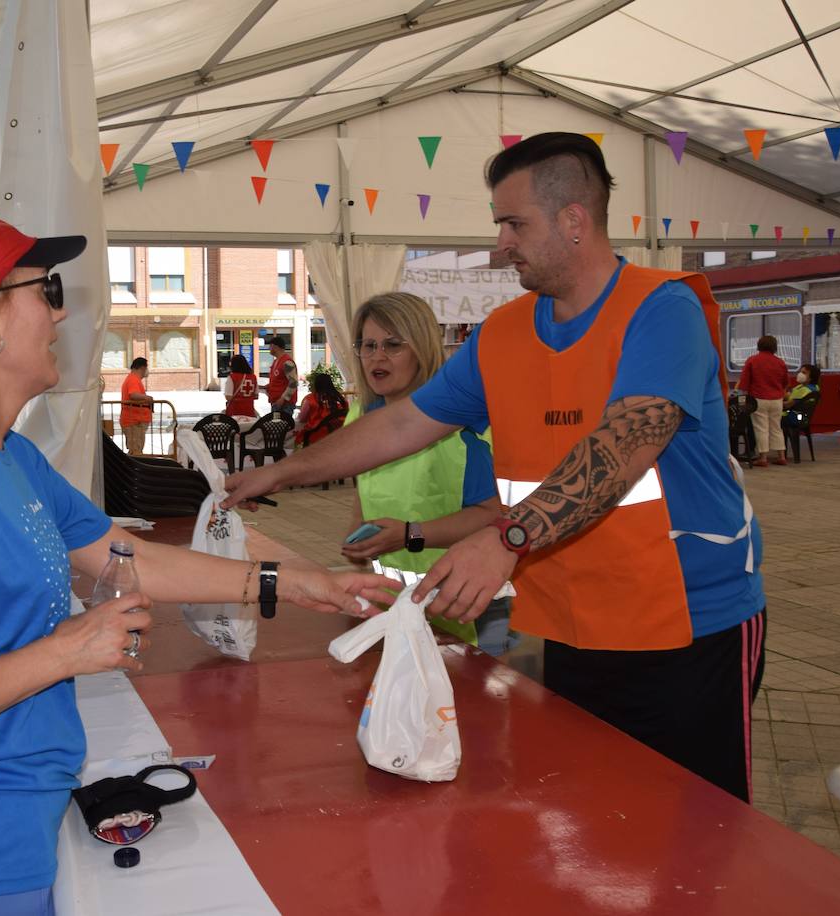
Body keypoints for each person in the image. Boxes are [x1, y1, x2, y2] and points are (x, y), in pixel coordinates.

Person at [0, 199, 397, 913]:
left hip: (14, 828)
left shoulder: (7, 455)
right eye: (46, 291)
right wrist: (67, 649)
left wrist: (294, 581)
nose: (61, 313)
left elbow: (126, 556)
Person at [224, 132, 766, 803]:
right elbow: (402, 423)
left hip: (688, 626)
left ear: (574, 220)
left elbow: (624, 444)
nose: (500, 245)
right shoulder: (504, 334)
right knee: (586, 817)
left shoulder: (662, 310)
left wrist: (507, 537)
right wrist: (282, 471)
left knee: (702, 826)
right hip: (570, 624)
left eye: (514, 224)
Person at [335, 292, 513, 655]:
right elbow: (364, 484)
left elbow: (493, 515)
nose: (377, 357)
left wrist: (410, 535)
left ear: (421, 348)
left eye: (393, 345)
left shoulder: (462, 425)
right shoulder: (360, 415)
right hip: (392, 606)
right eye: (368, 345)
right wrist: (358, 532)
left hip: (461, 605)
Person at [736, 335, 789, 467]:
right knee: (776, 428)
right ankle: (781, 456)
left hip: (758, 398)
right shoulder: (780, 362)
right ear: (774, 347)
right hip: (777, 400)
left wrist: (742, 400)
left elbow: (744, 383)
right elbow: (785, 382)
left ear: (759, 345)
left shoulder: (752, 360)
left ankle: (763, 458)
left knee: (761, 428)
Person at [295, 369, 347, 446]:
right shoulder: (340, 399)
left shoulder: (310, 399)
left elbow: (302, 419)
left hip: (316, 436)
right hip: (339, 436)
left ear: (316, 385)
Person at [119, 356, 153, 455]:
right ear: (142, 368)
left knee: (135, 450)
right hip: (134, 422)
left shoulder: (133, 379)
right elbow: (133, 395)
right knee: (136, 451)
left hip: (135, 421)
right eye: (146, 368)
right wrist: (148, 398)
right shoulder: (133, 379)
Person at [264, 335, 298, 418]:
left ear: (275, 347)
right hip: (276, 402)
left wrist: (283, 398)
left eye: (270, 346)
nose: (269, 349)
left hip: (285, 404)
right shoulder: (276, 362)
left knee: (282, 425)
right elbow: (279, 380)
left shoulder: (287, 362)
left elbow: (293, 383)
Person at [222, 353, 259, 418]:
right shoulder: (253, 377)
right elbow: (256, 396)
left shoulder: (232, 377)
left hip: (234, 411)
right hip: (249, 411)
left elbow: (228, 397)